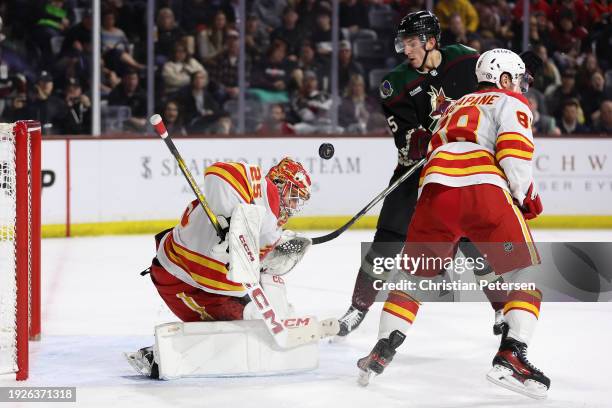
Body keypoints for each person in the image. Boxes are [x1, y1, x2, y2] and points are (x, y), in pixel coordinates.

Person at [357, 49, 549, 400]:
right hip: (482, 191)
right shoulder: (510, 101)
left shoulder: (453, 106)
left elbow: (432, 149)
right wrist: (526, 197)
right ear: (504, 79)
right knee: (527, 275)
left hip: (433, 197)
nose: (520, 86)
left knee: (412, 279)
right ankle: (512, 355)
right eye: (517, 79)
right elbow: (514, 156)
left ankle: (383, 347)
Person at [336, 11, 484, 337]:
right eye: (402, 44)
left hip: (460, 169)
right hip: (415, 171)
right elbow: (403, 139)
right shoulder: (396, 84)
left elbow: (493, 96)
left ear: (431, 42)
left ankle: (505, 312)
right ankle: (357, 307)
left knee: (476, 239)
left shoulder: (466, 61)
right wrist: (412, 142)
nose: (405, 50)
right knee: (388, 238)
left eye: (412, 43)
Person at [126, 158, 313, 377]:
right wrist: (228, 221)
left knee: (255, 327)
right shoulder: (261, 186)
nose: (293, 206)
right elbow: (217, 174)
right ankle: (160, 356)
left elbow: (254, 271)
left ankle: (166, 354)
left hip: (209, 287)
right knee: (246, 328)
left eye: (298, 201)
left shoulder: (269, 228)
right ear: (281, 183)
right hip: (181, 278)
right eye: (294, 196)